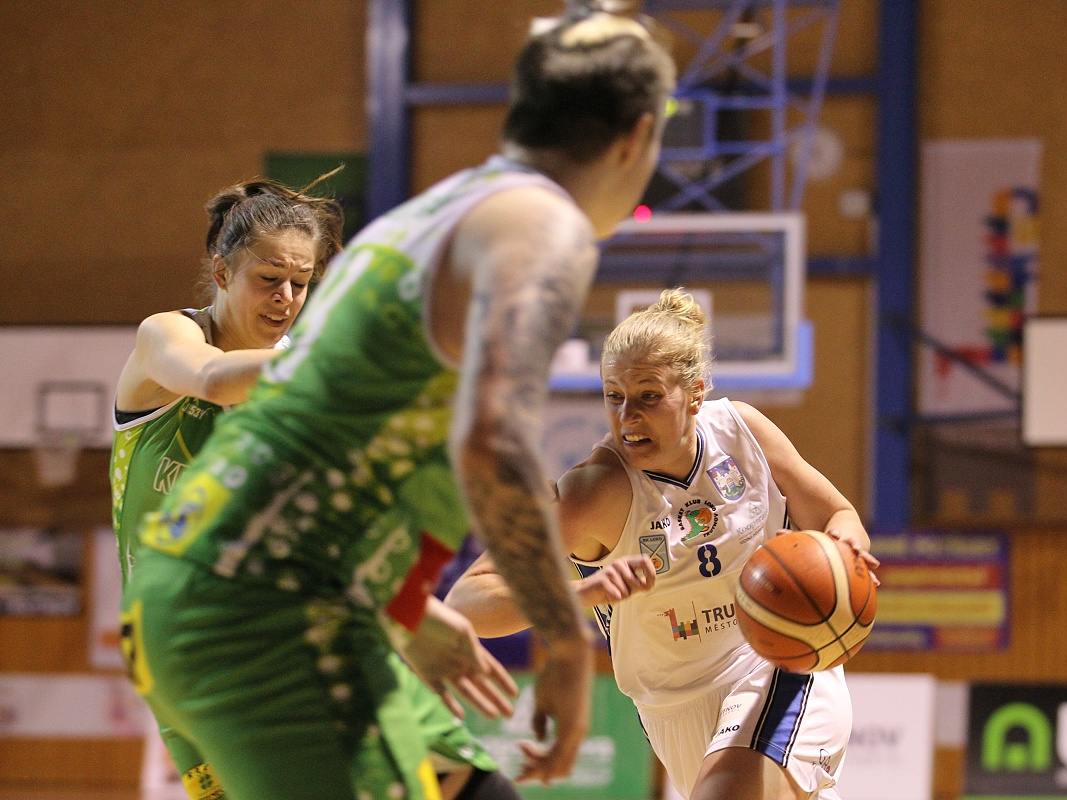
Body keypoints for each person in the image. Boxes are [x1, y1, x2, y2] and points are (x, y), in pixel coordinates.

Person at [120, 9, 676, 800]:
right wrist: (563, 644)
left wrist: (411, 607)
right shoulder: (545, 226)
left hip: (283, 591)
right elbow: (495, 442)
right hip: (268, 608)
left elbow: (330, 456)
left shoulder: (435, 211)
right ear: (638, 137)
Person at [112, 178, 509, 800]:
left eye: (301, 283)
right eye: (269, 279)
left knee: (474, 785)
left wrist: (418, 614)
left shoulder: (304, 369)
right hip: (199, 644)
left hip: (306, 621)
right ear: (221, 270)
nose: (286, 298)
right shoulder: (168, 335)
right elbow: (212, 379)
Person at [446, 289, 880, 800]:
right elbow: (467, 602)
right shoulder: (593, 493)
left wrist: (843, 557)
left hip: (777, 658)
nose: (628, 415)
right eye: (614, 396)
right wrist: (578, 595)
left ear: (695, 393)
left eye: (648, 396)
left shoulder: (743, 432)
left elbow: (837, 515)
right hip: (671, 706)